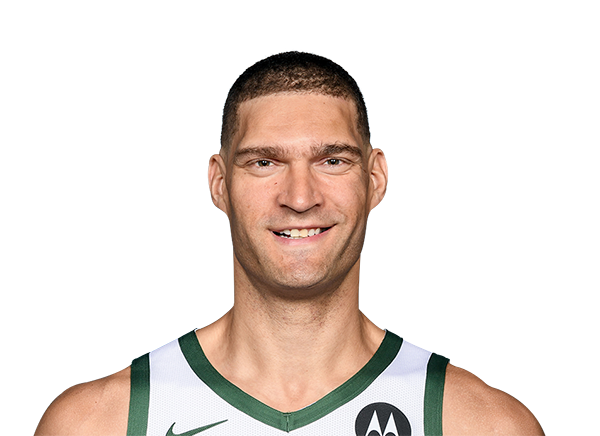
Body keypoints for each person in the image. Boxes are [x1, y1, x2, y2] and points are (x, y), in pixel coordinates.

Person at [35, 50, 543, 436]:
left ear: (375, 178)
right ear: (219, 183)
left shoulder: (479, 425)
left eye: (332, 161)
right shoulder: (100, 424)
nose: (300, 198)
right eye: (264, 162)